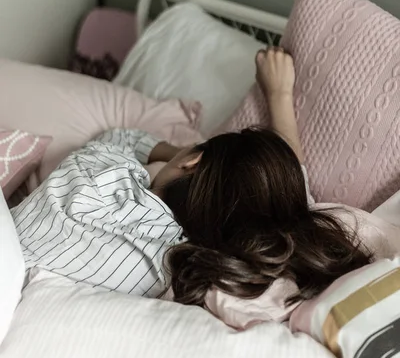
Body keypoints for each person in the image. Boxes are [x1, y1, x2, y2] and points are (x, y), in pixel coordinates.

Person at [12, 48, 400, 328]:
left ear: (191, 160)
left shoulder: (99, 167)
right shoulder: (189, 268)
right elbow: (296, 193)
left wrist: (177, 156)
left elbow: (120, 136)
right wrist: (280, 97)